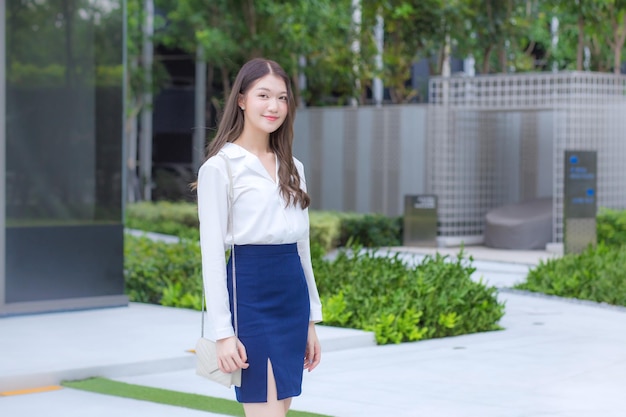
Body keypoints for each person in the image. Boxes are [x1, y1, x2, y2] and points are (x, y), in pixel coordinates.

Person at [196, 58, 323, 417]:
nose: (274, 106)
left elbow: (302, 249)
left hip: (292, 299)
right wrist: (223, 333)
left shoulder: (293, 167)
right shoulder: (219, 168)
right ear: (241, 100)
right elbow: (211, 257)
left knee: (281, 407)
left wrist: (310, 322)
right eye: (263, 95)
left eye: (282, 98)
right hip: (251, 297)